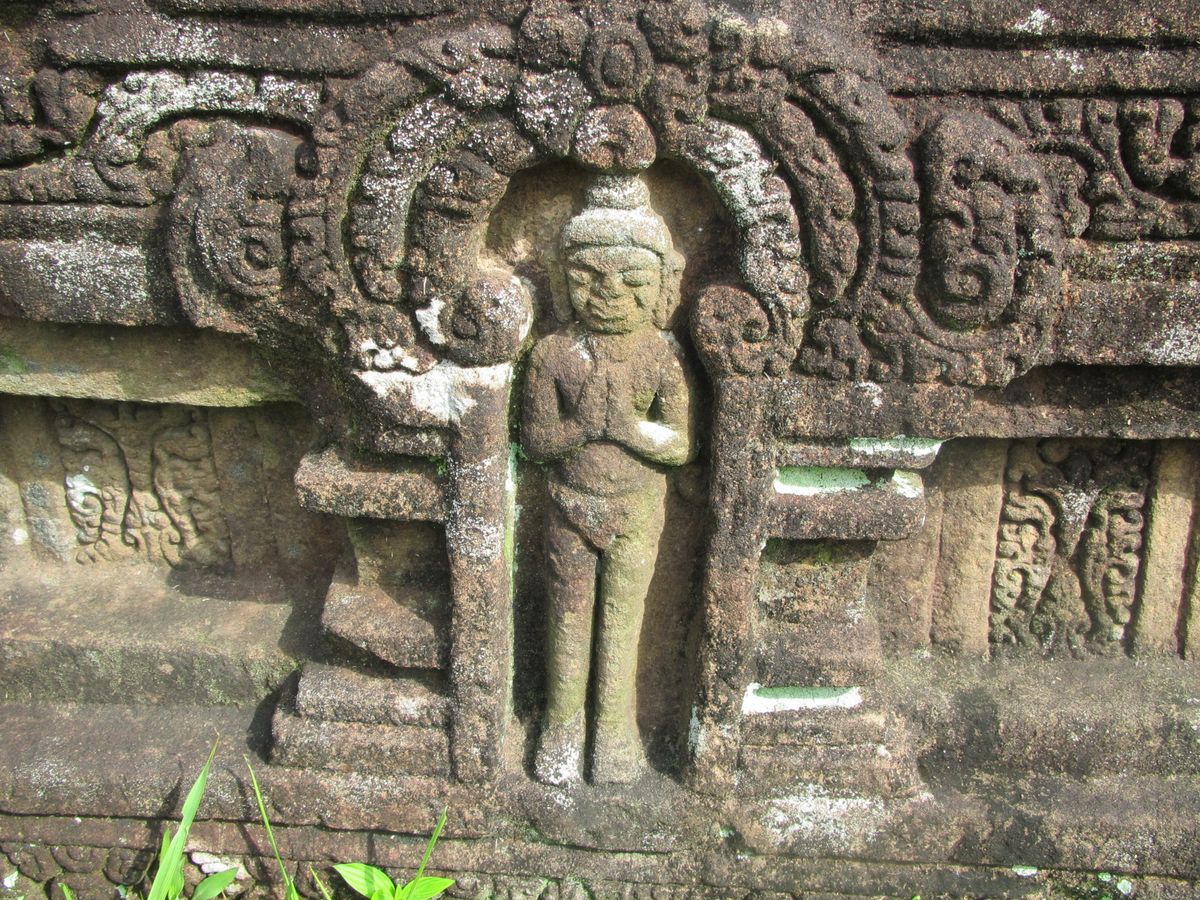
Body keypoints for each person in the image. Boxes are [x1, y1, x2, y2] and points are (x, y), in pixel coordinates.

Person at [521, 174, 698, 785]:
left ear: (662, 286)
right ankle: (561, 728)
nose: (609, 295)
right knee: (567, 619)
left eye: (632, 280)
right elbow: (537, 441)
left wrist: (625, 429)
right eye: (588, 277)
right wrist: (581, 429)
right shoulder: (554, 353)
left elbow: (679, 444)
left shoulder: (659, 354)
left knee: (623, 620)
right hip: (569, 503)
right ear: (562, 280)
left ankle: (614, 733)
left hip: (637, 506)